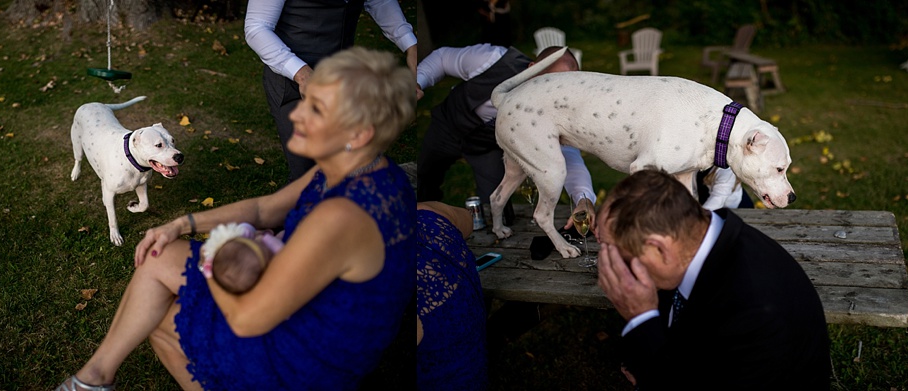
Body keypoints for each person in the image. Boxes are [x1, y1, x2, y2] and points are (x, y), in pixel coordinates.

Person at [58, 48, 486, 391]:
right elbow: (266, 208)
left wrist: (215, 257)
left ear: (359, 134)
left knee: (163, 320)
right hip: (314, 311)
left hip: (306, 358)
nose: (296, 114)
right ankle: (92, 379)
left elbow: (248, 320)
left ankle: (91, 381)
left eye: (316, 109)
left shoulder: (341, 216)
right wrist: (182, 224)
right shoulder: (364, 168)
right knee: (159, 261)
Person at [594, 169, 831, 389]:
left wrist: (641, 321)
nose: (608, 264)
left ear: (659, 249)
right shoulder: (698, 236)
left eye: (614, 254)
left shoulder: (753, 313)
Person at [245, 0, 425, 182]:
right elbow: (256, 27)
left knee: (351, 162)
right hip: (291, 81)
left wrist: (409, 44)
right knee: (307, 175)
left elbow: (380, 1)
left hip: (344, 78)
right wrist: (300, 73)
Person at [410, 45, 596, 219]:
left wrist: (584, 199)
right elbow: (442, 58)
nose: (558, 93)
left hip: (487, 147)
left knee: (497, 213)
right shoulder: (492, 60)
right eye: (551, 82)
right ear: (532, 69)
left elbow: (569, 157)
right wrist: (418, 82)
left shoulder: (557, 111)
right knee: (422, 178)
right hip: (448, 126)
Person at [197, 223, 286, 294]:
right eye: (263, 248)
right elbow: (283, 254)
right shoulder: (270, 244)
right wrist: (265, 238)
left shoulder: (243, 240)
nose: (261, 243)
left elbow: (245, 227)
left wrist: (246, 231)